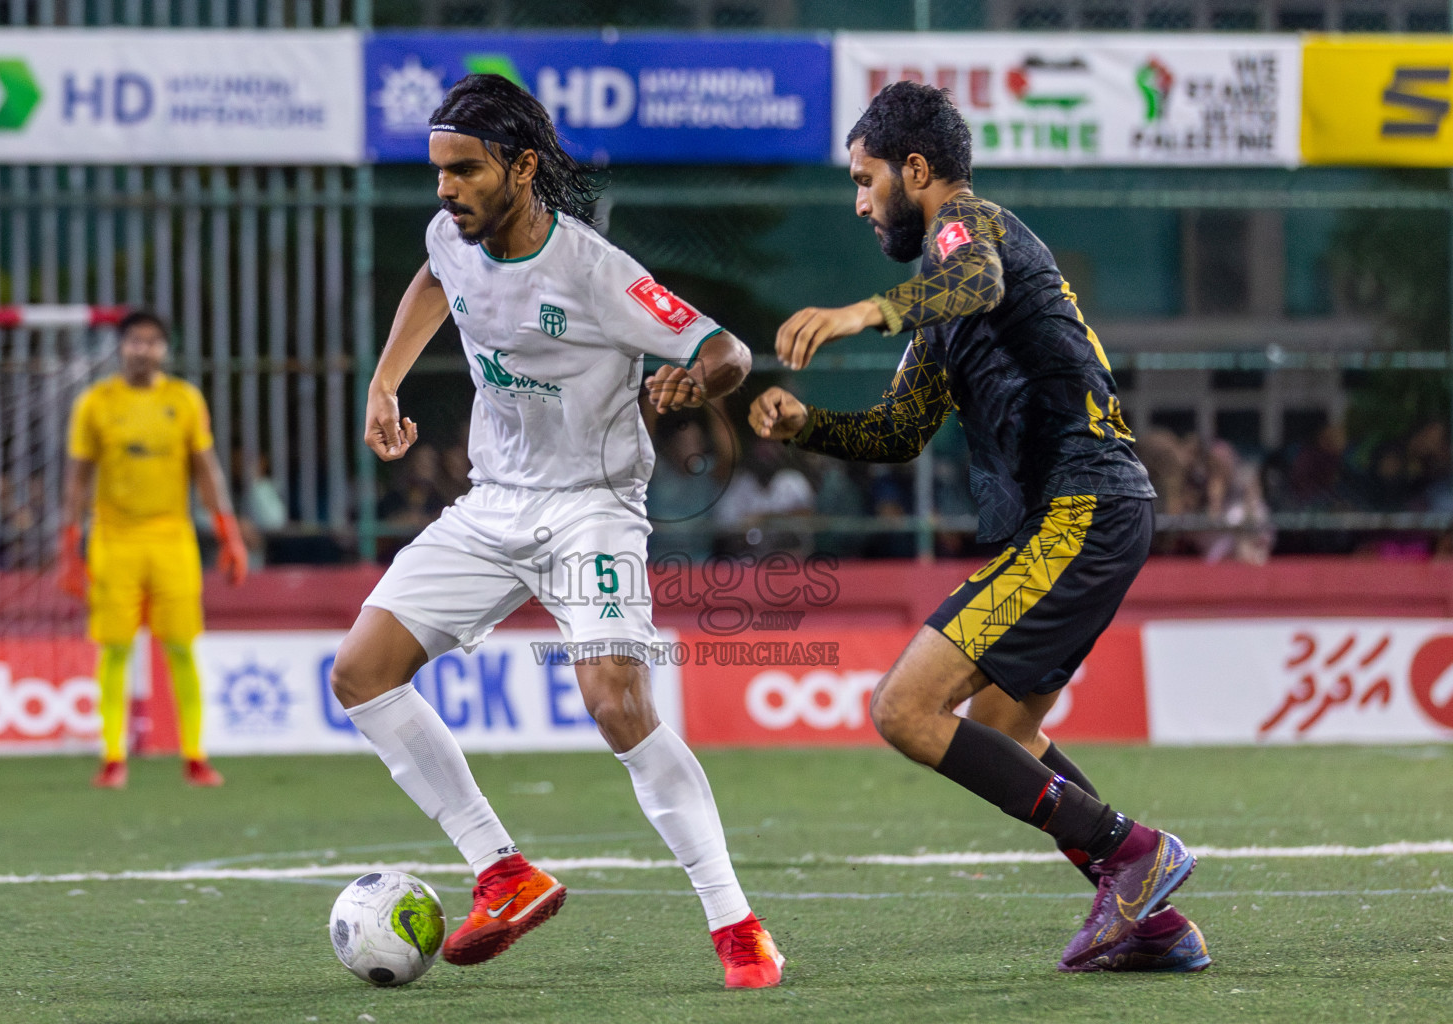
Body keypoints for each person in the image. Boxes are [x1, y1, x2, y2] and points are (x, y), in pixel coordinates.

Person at [327, 74, 783, 988]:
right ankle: (504, 873)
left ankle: (738, 929)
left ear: (522, 166)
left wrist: (697, 382)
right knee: (361, 673)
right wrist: (386, 381)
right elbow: (432, 277)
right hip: (495, 502)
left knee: (617, 702)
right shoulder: (448, 235)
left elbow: (724, 348)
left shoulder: (592, 270)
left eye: (465, 170)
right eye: (438, 172)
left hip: (592, 509)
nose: (446, 190)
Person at [748, 82, 1207, 973]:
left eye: (864, 178)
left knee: (903, 708)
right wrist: (810, 428)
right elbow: (900, 430)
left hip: (1084, 507)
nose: (858, 201)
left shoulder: (967, 231)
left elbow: (977, 277)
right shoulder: (947, 301)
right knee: (1000, 722)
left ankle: (1133, 853)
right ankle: (1148, 919)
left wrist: (862, 312)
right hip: (1093, 511)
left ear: (913, 171)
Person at [59, 311, 248, 789]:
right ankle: (112, 756)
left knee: (182, 647)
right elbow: (77, 479)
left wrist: (230, 534)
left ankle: (195, 756)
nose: (143, 349)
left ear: (165, 349)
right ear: (121, 347)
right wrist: (68, 544)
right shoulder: (95, 403)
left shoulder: (183, 399)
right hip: (113, 539)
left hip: (172, 538)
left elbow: (207, 469)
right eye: (135, 341)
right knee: (115, 649)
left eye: (153, 341)